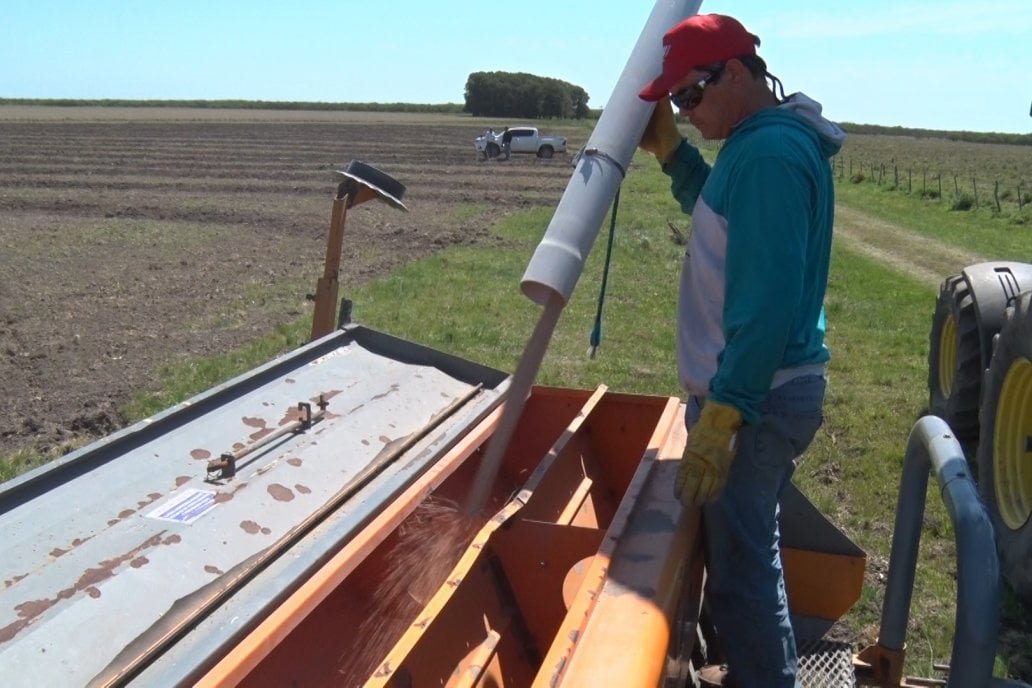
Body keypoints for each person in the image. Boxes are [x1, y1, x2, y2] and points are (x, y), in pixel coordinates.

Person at [637, 13, 845, 688]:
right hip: (765, 390)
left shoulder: (767, 157)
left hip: (757, 397)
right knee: (749, 555)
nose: (684, 112)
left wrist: (727, 412)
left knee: (746, 570)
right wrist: (674, 155)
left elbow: (765, 305)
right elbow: (723, 218)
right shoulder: (758, 145)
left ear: (733, 73)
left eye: (690, 96)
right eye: (675, 104)